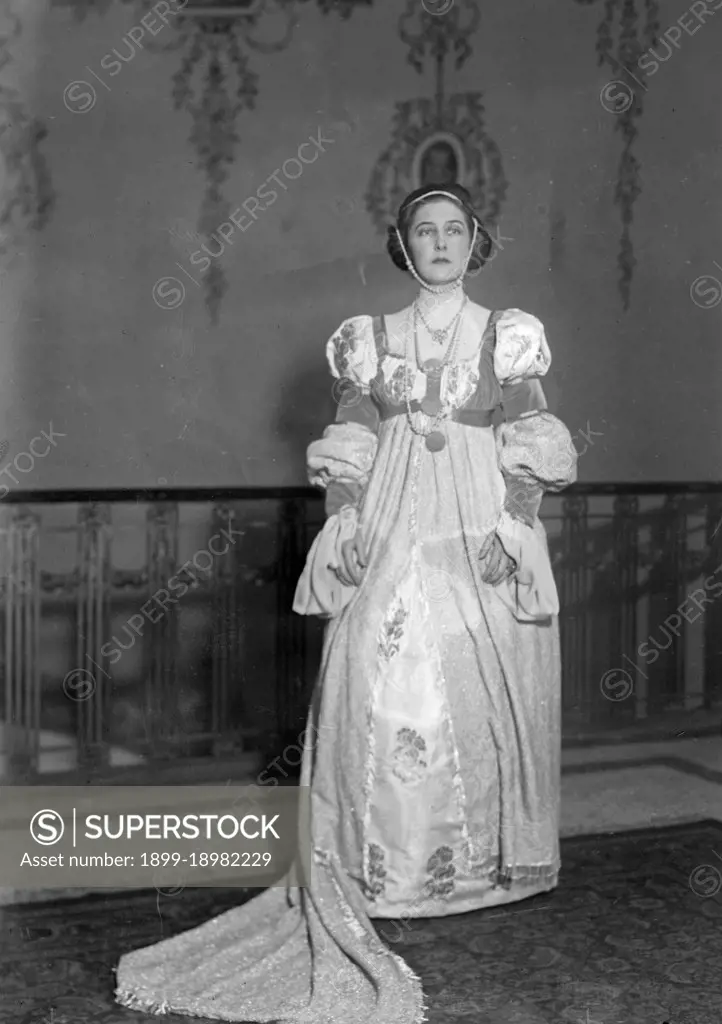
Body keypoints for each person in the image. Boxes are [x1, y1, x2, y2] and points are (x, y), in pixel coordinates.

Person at [114, 183, 577, 1023]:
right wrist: (345, 518)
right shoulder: (370, 339)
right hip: (395, 511)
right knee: (372, 665)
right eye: (422, 231)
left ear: (476, 241)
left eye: (453, 230)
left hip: (473, 514)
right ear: (401, 245)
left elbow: (530, 431)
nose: (438, 242)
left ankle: (480, 868)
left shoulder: (505, 334)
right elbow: (353, 432)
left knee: (477, 678)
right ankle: (377, 867)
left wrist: (511, 523)